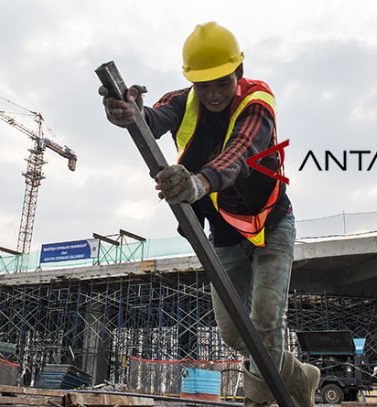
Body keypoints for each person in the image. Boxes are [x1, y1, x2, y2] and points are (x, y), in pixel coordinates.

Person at [99, 22, 320, 407]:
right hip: (224, 233)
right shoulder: (184, 101)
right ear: (192, 82)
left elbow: (241, 150)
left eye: (223, 82)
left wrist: (198, 184)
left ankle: (258, 398)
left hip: (271, 225)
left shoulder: (258, 101)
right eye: (205, 86)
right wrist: (127, 113)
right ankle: (300, 375)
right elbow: (152, 119)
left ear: (239, 72)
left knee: (266, 324)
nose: (214, 94)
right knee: (237, 333)